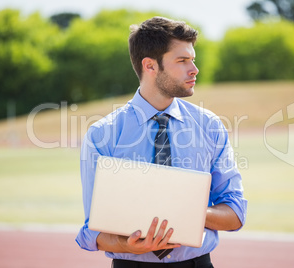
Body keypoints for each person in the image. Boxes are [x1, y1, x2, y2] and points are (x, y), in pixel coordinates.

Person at [76, 16, 247, 267]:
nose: (194, 69)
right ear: (150, 65)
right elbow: (93, 231)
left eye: (193, 59)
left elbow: (235, 214)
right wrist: (127, 245)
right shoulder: (102, 135)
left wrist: (184, 209)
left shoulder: (210, 126)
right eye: (182, 60)